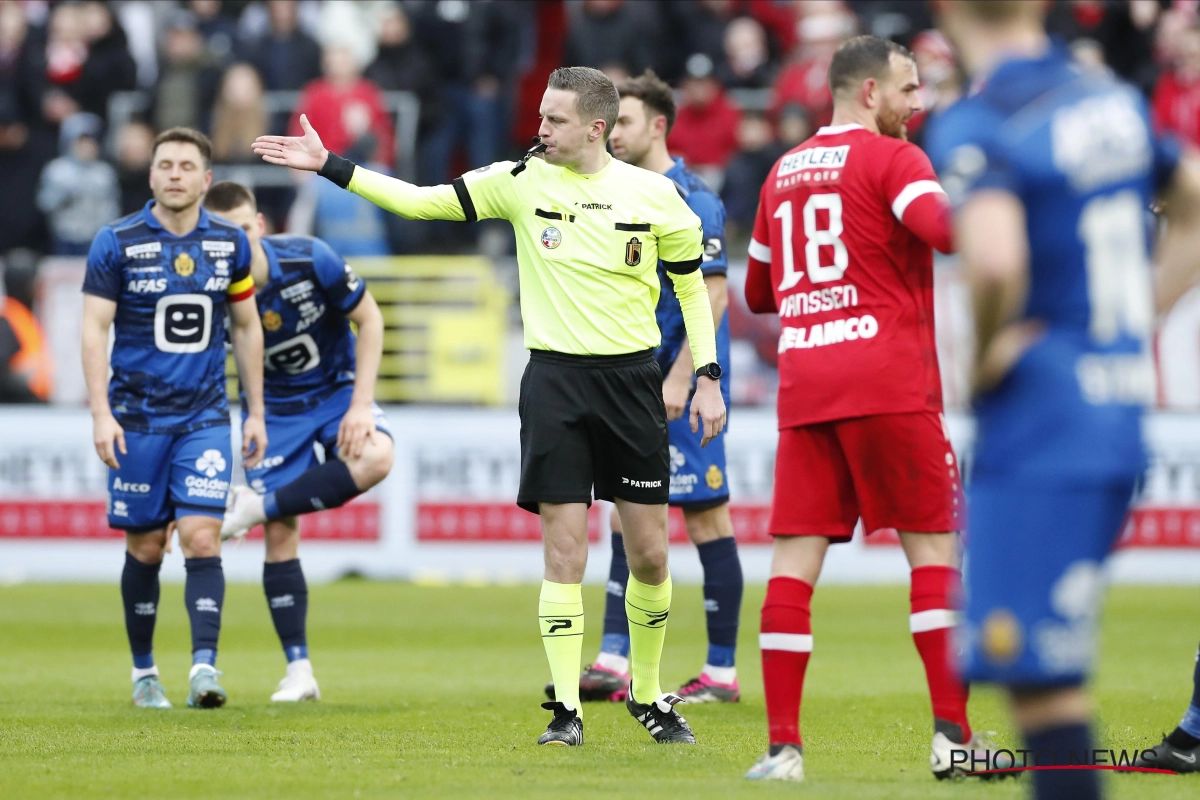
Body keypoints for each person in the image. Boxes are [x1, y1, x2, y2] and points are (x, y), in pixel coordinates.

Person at [252, 66, 726, 747]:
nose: (540, 129)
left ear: (596, 128)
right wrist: (331, 165)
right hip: (556, 385)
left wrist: (705, 374)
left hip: (632, 385)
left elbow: (689, 291)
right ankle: (566, 709)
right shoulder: (520, 181)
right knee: (563, 554)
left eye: (555, 120)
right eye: (540, 114)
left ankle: (648, 694)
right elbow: (419, 201)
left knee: (650, 555)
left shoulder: (657, 197)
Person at [926, 2, 1200, 797]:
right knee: (1053, 674)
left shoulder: (982, 118)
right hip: (1115, 408)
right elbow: (1192, 203)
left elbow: (997, 258)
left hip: (1043, 422)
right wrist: (1135, 320)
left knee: (1038, 682)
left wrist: (984, 357)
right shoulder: (1108, 98)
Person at [742, 35, 982, 782]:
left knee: (792, 566)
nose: (921, 104)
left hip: (808, 384)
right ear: (870, 92)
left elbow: (757, 293)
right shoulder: (895, 160)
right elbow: (946, 231)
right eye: (910, 90)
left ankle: (782, 750)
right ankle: (953, 739)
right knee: (934, 554)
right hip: (889, 384)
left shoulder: (782, 172)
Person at [555, 68, 741, 705]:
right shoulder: (614, 188)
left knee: (705, 516)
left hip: (679, 380)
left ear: (657, 125)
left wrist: (685, 378)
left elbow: (713, 294)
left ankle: (720, 671)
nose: (615, 134)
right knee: (622, 514)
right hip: (629, 380)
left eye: (626, 122)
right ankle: (614, 657)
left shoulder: (693, 195)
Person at [81, 127, 266, 710]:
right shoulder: (117, 242)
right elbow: (92, 329)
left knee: (201, 536)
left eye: (188, 166)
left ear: (206, 180)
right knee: (143, 548)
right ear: (152, 174)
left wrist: (255, 411)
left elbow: (245, 326)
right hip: (135, 420)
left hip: (205, 416)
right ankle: (144, 673)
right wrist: (100, 414)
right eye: (166, 165)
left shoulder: (229, 244)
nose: (176, 174)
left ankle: (204, 670)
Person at [207, 180, 393, 702]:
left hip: (336, 395)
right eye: (225, 236)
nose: (238, 244)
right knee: (280, 533)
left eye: (244, 230)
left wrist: (360, 403)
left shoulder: (311, 258)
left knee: (378, 456)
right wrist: (255, 416)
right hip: (277, 414)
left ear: (260, 226)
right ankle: (299, 671)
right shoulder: (215, 293)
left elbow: (371, 318)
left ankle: (252, 507)